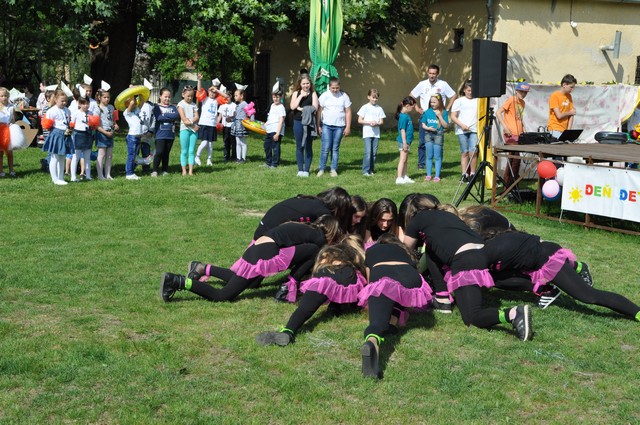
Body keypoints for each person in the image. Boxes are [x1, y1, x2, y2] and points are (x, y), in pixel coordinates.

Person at [402, 195, 533, 341]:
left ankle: (513, 314)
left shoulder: (417, 219)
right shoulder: (446, 215)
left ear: (411, 212)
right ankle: (442, 298)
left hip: (466, 259)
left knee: (472, 317)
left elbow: (405, 250)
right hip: (483, 252)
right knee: (431, 249)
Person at [160, 215, 343, 303]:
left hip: (256, 248)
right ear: (332, 231)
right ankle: (177, 281)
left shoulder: (305, 227)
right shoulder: (318, 238)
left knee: (248, 282)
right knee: (223, 295)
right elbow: (312, 258)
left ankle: (202, 268)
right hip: (265, 252)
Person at [482, 229, 640, 322]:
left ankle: (636, 311)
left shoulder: (489, 251)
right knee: (493, 278)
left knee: (588, 296)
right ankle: (546, 290)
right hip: (538, 257)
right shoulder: (487, 249)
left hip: (548, 260)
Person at [256, 236, 367, 346]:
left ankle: (288, 331)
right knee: (336, 290)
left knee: (304, 309)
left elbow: (321, 268)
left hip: (327, 276)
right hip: (351, 280)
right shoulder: (357, 261)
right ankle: (335, 309)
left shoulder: (330, 251)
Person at [357, 233, 433, 379]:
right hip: (410, 275)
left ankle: (372, 342)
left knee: (377, 323)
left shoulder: (372, 249)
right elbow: (416, 270)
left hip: (383, 272)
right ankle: (392, 324)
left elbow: (370, 280)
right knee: (399, 292)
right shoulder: (404, 250)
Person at [410, 64, 457, 170]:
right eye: (430, 73)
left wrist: (447, 109)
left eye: (434, 73)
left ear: (437, 74)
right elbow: (411, 96)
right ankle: (421, 163)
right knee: (422, 141)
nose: (432, 75)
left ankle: (438, 163)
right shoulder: (422, 84)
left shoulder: (443, 84)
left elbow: (453, 95)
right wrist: (417, 108)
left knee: (438, 141)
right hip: (425, 115)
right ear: (427, 73)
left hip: (438, 116)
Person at [496, 82, 530, 187]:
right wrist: (505, 127)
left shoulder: (523, 103)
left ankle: (510, 183)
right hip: (510, 133)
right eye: (521, 92)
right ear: (517, 90)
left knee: (513, 158)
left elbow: (519, 118)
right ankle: (511, 182)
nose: (523, 94)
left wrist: (523, 129)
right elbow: (498, 112)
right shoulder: (511, 100)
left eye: (525, 92)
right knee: (515, 159)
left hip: (519, 134)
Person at [317, 77, 351, 177]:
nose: (335, 90)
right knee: (325, 148)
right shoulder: (324, 95)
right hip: (326, 125)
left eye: (337, 88)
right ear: (329, 87)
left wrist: (348, 127)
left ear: (339, 87)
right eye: (333, 88)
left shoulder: (344, 96)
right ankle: (321, 169)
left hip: (339, 126)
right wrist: (318, 125)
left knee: (335, 148)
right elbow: (319, 111)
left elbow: (348, 111)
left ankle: (333, 169)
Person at [42, 89, 73, 185]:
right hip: (56, 134)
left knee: (62, 157)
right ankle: (55, 179)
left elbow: (69, 121)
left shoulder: (67, 110)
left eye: (65, 101)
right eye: (62, 101)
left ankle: (61, 177)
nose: (64, 103)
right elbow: (47, 124)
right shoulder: (52, 111)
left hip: (66, 134)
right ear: (55, 100)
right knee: (55, 157)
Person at [290, 73, 318, 177]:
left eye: (307, 83)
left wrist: (302, 109)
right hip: (298, 122)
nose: (306, 85)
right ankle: (300, 169)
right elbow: (293, 107)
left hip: (309, 123)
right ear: (300, 84)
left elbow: (315, 108)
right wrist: (301, 96)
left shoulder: (313, 94)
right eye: (303, 84)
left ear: (310, 83)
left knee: (308, 146)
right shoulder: (296, 93)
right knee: (299, 146)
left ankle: (306, 170)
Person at [450, 80, 478, 182]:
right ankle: (464, 174)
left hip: (474, 130)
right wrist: (462, 125)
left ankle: (473, 173)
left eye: (472, 91)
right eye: (468, 90)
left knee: (473, 152)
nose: (470, 93)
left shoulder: (478, 100)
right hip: (462, 130)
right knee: (464, 152)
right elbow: (453, 116)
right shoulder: (459, 101)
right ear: (464, 90)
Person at [195, 75, 226, 166]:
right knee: (205, 141)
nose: (212, 93)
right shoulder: (205, 98)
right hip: (204, 123)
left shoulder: (217, 100)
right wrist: (199, 80)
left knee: (210, 144)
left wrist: (217, 90)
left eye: (214, 92)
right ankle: (197, 156)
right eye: (211, 91)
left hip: (212, 124)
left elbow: (226, 97)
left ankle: (209, 159)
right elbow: (199, 90)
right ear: (208, 91)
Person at [420, 93, 449, 182]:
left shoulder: (444, 112)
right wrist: (428, 128)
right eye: (431, 102)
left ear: (439, 102)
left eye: (434, 102)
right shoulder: (427, 112)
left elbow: (446, 126)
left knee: (437, 156)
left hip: (438, 135)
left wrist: (440, 116)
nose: (432, 104)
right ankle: (428, 175)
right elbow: (423, 124)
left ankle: (437, 176)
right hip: (428, 134)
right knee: (429, 155)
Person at [357, 88, 386, 176]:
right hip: (367, 133)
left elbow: (381, 121)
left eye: (376, 98)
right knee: (368, 152)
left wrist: (376, 123)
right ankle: (365, 171)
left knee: (374, 153)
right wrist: (369, 122)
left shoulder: (379, 108)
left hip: (376, 134)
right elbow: (360, 120)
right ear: (368, 97)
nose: (375, 99)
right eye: (373, 97)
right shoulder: (364, 107)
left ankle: (371, 170)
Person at [152, 88, 179, 176]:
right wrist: (169, 117)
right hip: (160, 134)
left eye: (169, 97)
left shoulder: (173, 107)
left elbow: (176, 115)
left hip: (170, 134)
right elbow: (159, 117)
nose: (167, 99)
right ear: (160, 96)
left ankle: (164, 170)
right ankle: (155, 170)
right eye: (165, 97)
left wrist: (165, 114)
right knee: (159, 152)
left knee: (166, 153)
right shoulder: (157, 107)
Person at [95, 88, 118, 180]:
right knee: (101, 154)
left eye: (108, 97)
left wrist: (115, 125)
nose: (107, 99)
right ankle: (100, 175)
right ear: (99, 97)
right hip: (102, 133)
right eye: (104, 97)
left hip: (110, 133)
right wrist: (105, 132)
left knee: (109, 155)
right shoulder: (97, 108)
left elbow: (113, 120)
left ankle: (108, 174)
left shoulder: (111, 107)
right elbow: (96, 125)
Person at [177, 85, 199, 176]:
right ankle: (184, 171)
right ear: (183, 94)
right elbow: (184, 120)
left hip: (193, 132)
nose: (190, 98)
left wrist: (192, 123)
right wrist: (193, 126)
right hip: (184, 130)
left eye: (191, 96)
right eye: (188, 96)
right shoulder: (181, 104)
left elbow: (197, 117)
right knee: (184, 151)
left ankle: (190, 171)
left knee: (191, 151)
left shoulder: (194, 105)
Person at [70, 97, 93, 181]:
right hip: (78, 134)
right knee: (76, 156)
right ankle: (73, 177)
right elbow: (72, 124)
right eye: (83, 104)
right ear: (79, 104)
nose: (86, 106)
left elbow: (92, 123)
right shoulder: (76, 113)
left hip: (88, 134)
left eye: (87, 104)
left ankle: (88, 176)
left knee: (87, 156)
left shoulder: (90, 113)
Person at [263, 86, 286, 168]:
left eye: (277, 97)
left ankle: (275, 163)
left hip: (276, 130)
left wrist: (277, 133)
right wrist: (265, 124)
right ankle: (268, 162)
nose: (275, 99)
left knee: (275, 147)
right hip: (269, 129)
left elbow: (281, 120)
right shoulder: (272, 105)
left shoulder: (281, 107)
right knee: (267, 146)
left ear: (281, 97)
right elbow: (270, 117)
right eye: (274, 97)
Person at [548, 74, 577, 138]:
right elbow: (559, 116)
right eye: (571, 87)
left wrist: (568, 131)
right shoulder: (554, 96)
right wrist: (570, 112)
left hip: (564, 130)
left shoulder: (569, 96)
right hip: (554, 129)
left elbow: (572, 114)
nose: (572, 90)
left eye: (573, 88)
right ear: (564, 85)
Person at [395, 96, 416, 185]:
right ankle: (399, 178)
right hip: (404, 142)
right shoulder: (403, 117)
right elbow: (402, 130)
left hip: (407, 141)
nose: (413, 108)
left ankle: (404, 176)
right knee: (402, 159)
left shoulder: (406, 115)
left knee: (405, 159)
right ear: (407, 106)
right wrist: (404, 143)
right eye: (412, 107)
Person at [123, 96, 143, 180]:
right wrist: (133, 95)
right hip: (132, 137)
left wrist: (140, 95)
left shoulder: (136, 110)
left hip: (138, 136)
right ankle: (129, 173)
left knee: (136, 155)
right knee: (131, 155)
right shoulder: (127, 113)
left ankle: (131, 171)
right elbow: (131, 103)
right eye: (132, 102)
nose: (134, 104)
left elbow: (141, 103)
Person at [0, 87, 17, 177]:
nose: (4, 98)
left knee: (9, 152)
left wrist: (12, 125)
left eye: (5, 96)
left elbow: (13, 119)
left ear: (8, 96)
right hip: (0, 131)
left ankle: (11, 170)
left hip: (9, 129)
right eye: (2, 96)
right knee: (0, 152)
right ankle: (1, 171)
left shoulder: (11, 107)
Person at [231, 86, 249, 163]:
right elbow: (236, 115)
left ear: (241, 96)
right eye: (234, 95)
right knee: (237, 142)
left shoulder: (245, 104)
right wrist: (231, 119)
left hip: (242, 125)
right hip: (237, 124)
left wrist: (250, 120)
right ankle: (238, 158)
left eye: (236, 95)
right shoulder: (238, 105)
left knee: (243, 142)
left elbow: (251, 112)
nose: (234, 97)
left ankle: (243, 158)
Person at [218, 89, 236, 162]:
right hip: (225, 126)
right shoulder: (222, 105)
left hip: (232, 126)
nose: (226, 99)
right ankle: (226, 155)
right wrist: (217, 123)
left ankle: (234, 156)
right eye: (224, 97)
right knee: (226, 141)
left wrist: (231, 118)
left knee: (233, 141)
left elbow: (235, 115)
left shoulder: (234, 105)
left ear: (231, 96)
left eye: (228, 97)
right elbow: (220, 116)